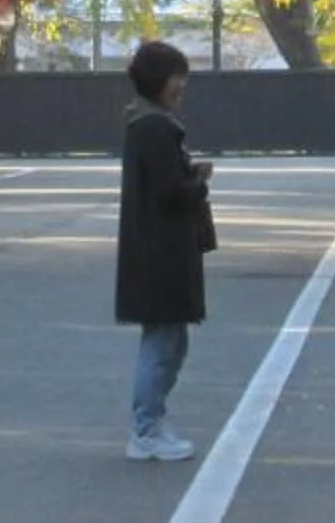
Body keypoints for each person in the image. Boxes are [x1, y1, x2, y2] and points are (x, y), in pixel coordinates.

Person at [115, 38, 216, 462]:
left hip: (154, 252)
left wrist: (188, 174)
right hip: (162, 253)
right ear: (159, 80)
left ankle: (152, 422)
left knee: (169, 342)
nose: (181, 86)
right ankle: (146, 428)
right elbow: (170, 192)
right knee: (163, 344)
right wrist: (198, 181)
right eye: (177, 78)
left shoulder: (145, 124)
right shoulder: (157, 128)